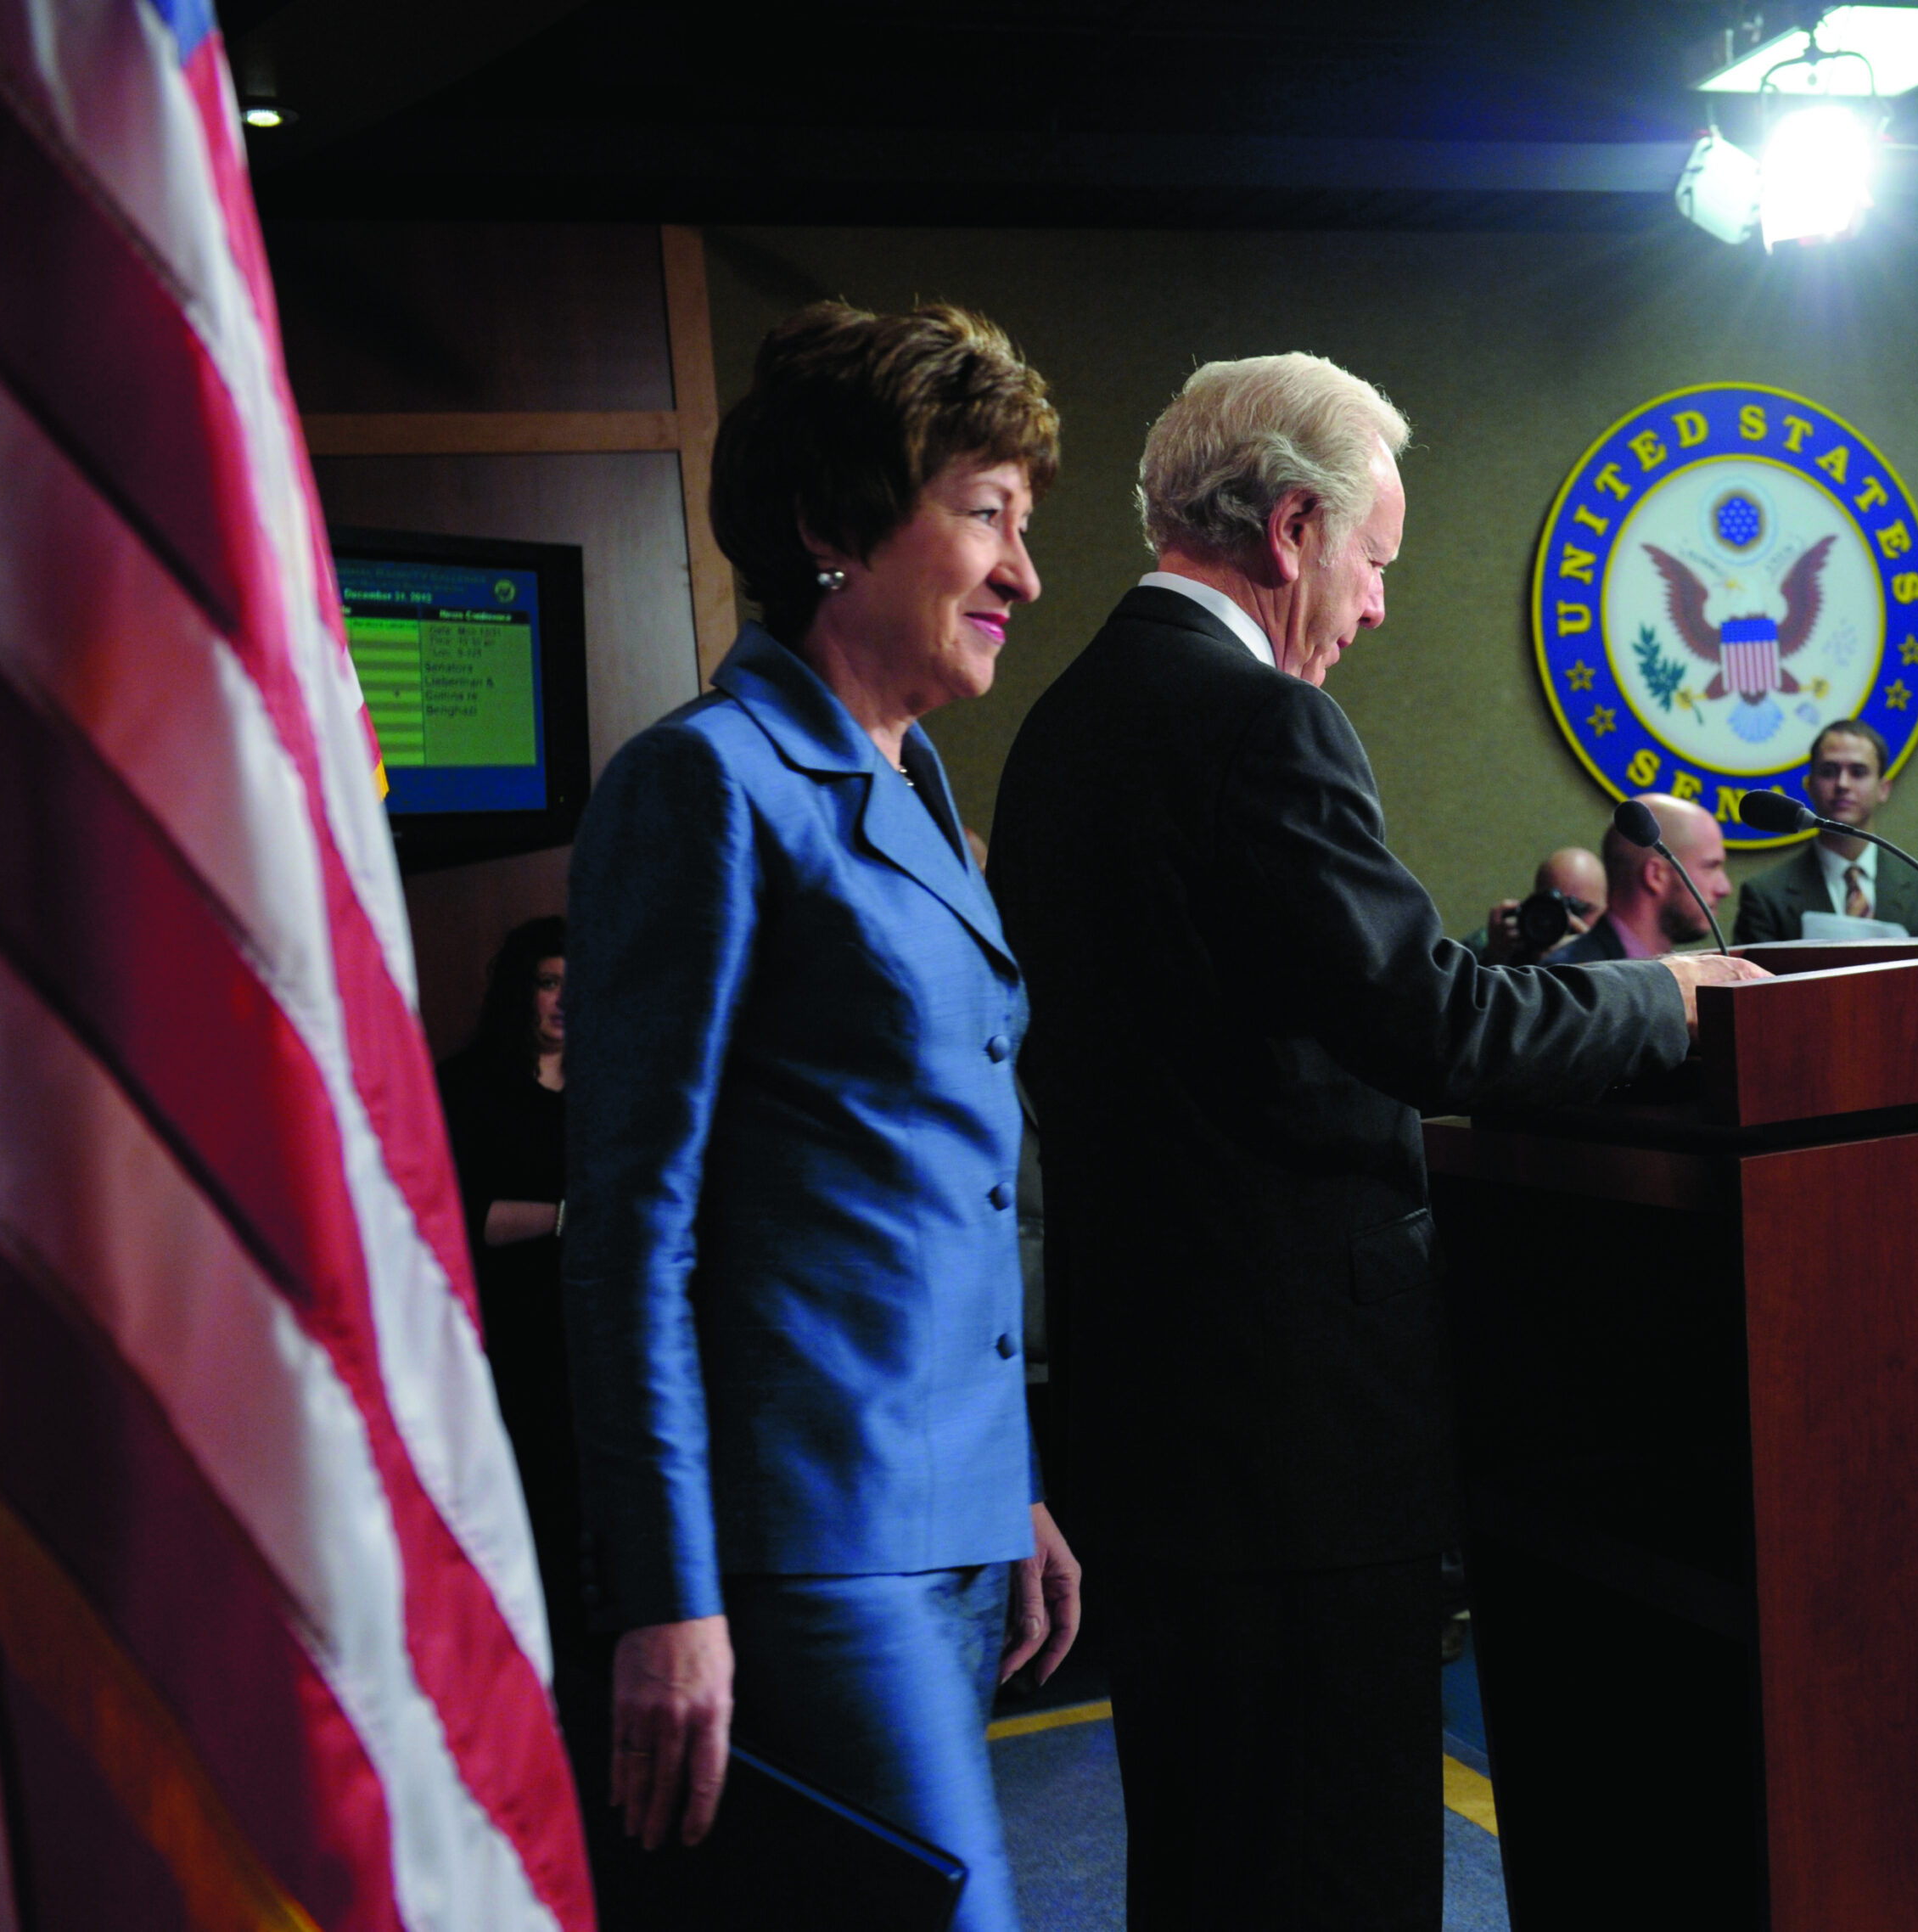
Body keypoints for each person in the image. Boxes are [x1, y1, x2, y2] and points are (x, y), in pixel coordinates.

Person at [986, 352, 1765, 1929]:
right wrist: (1665, 999)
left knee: (1208, 1859)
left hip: (1157, 1420)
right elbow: (1432, 1027)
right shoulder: (1258, 721)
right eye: (1377, 559)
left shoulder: (1061, 726)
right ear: (1292, 529)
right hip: (1297, 1441)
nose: (1379, 605)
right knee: (1332, 1867)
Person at [563, 300, 1080, 1932]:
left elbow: (926, 1196)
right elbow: (634, 1229)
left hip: (952, 1523)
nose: (1025, 573)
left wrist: (1008, 1490)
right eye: (988, 514)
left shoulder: (914, 780)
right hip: (810, 1549)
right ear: (829, 528)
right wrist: (665, 1597)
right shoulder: (707, 781)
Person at [438, 917, 579, 1650]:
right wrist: (568, 1217)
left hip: (594, 1336)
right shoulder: (468, 1087)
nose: (564, 1000)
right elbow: (459, 1216)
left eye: (576, 984)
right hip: (509, 1341)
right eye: (549, 983)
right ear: (521, 992)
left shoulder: (611, 1086)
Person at [1732, 719, 1918, 942]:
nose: (1842, 784)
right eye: (1829, 771)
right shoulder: (1765, 895)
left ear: (1883, 789)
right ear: (1809, 786)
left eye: (1858, 772)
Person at [1544, 795, 1731, 963]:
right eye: (1710, 867)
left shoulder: (1674, 973)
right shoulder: (1572, 980)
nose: (1725, 888)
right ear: (1655, 875)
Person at [1461, 845, 1607, 964]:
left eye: (1579, 909)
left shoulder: (1617, 959)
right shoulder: (1499, 943)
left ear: (1607, 910)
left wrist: (1598, 969)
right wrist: (1493, 960)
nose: (1563, 918)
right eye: (1553, 907)